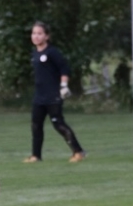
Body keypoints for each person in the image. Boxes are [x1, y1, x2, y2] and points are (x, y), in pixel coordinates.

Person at [24, 21, 86, 163]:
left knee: (58, 124)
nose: (36, 36)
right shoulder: (34, 53)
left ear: (46, 36)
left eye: (40, 33)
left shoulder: (52, 52)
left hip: (53, 96)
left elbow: (64, 69)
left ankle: (78, 152)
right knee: (36, 125)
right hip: (39, 96)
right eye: (34, 33)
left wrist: (64, 86)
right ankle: (36, 156)